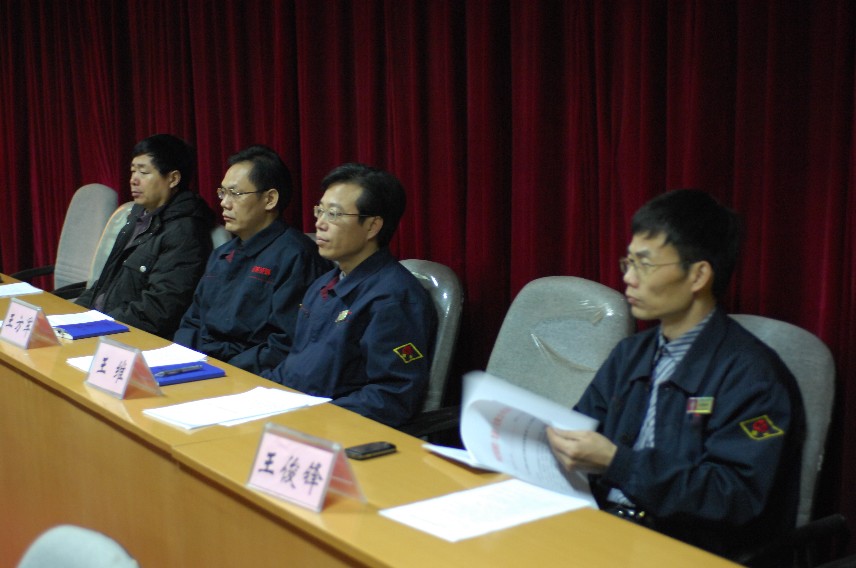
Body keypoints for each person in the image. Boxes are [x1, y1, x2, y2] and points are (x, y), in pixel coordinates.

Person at [546, 189, 804, 561]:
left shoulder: (755, 378)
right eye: (628, 262)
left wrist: (618, 463)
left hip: (687, 550)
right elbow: (582, 427)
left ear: (698, 275)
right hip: (604, 530)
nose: (628, 278)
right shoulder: (630, 353)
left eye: (645, 265)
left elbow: (734, 497)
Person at [263, 163, 437, 427]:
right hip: (292, 413)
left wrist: (311, 417)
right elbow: (296, 365)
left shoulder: (393, 298)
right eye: (320, 210)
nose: (320, 223)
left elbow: (391, 396)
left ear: (372, 226)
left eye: (333, 214)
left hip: (334, 429)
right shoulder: (323, 284)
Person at [174, 145, 331, 374]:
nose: (224, 203)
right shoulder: (222, 253)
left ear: (269, 199)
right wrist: (181, 360)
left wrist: (220, 370)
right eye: (223, 192)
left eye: (235, 194)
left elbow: (284, 345)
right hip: (201, 366)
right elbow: (192, 321)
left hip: (246, 374)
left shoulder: (297, 256)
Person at [77, 134, 214, 338]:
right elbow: (105, 284)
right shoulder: (138, 216)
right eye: (133, 171)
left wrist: (94, 327)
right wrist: (73, 314)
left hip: (128, 337)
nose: (133, 179)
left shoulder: (185, 232)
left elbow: (157, 311)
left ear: (173, 179)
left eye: (143, 172)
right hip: (102, 325)